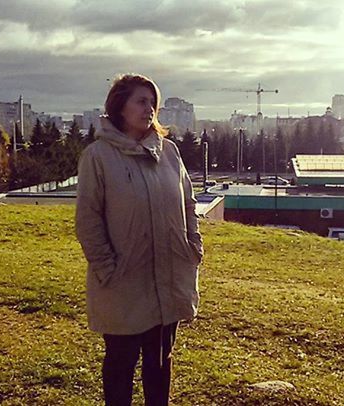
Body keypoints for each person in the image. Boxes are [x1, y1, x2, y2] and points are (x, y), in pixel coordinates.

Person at [75, 73, 203, 406]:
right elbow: (88, 220)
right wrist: (108, 268)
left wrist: (193, 246)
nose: (150, 109)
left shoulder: (170, 153)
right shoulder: (98, 157)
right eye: (141, 101)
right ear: (120, 106)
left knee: (161, 362)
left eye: (153, 103)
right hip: (123, 284)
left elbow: (188, 203)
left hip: (168, 276)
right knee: (120, 365)